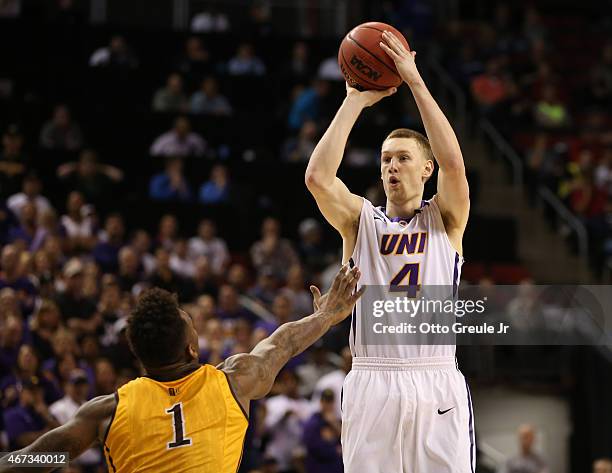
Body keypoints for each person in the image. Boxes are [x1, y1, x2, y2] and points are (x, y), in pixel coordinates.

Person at [0, 264, 364, 473]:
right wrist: (328, 314)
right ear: (192, 347)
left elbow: (41, 457)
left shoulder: (106, 411)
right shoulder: (233, 382)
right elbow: (283, 342)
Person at [305, 31, 471, 473]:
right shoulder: (361, 221)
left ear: (426, 168)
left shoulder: (447, 219)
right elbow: (318, 178)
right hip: (373, 376)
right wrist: (355, 100)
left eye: (401, 157)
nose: (391, 166)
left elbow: (455, 164)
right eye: (384, 159)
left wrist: (415, 82)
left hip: (435, 373)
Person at [302, 389, 343, 473]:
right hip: (319, 467)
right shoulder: (313, 422)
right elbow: (313, 446)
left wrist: (335, 426)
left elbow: (346, 442)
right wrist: (335, 451)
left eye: (330, 402)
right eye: (326, 401)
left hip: (336, 468)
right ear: (321, 402)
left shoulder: (337, 421)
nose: (328, 405)